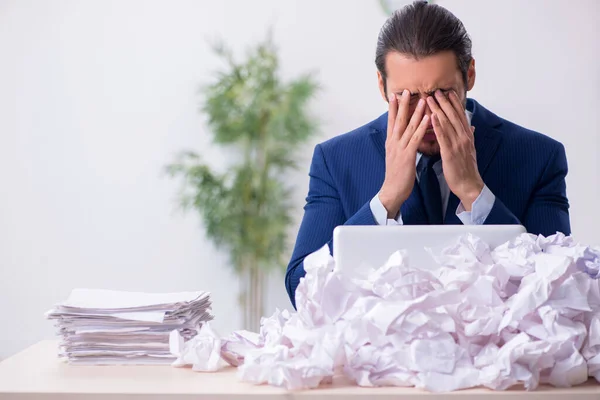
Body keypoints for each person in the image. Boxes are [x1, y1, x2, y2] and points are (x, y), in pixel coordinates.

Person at [285, 1, 570, 308]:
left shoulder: (539, 157)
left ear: (469, 75)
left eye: (442, 94)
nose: (426, 115)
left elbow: (562, 289)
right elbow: (301, 290)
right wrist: (386, 200)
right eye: (407, 97)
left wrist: (474, 193)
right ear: (382, 86)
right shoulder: (336, 160)